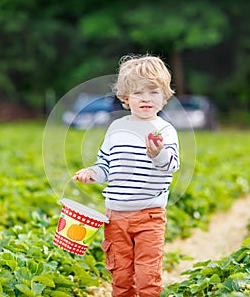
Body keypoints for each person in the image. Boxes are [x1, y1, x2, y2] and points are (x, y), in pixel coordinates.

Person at [73, 54, 180, 297]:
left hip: (149, 216)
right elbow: (106, 166)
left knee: (147, 275)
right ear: (125, 97)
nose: (146, 98)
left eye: (153, 92)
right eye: (138, 93)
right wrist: (92, 173)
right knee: (120, 275)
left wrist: (158, 154)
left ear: (164, 97)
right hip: (115, 217)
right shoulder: (116, 128)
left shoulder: (165, 130)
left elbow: (172, 165)